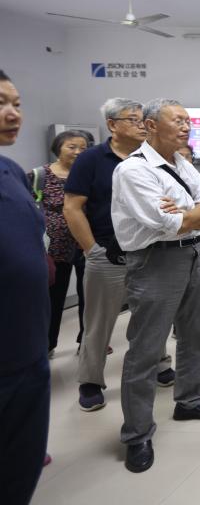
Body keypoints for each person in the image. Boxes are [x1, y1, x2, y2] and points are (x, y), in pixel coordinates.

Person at [110, 99, 200, 473]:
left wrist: (193, 214)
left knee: (197, 335)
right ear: (150, 125)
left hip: (195, 254)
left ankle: (190, 400)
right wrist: (194, 214)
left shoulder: (183, 164)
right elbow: (168, 223)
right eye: (178, 120)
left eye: (188, 121)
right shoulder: (133, 170)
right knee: (146, 349)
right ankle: (137, 433)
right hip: (155, 260)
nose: (186, 127)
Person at [64, 98, 173, 412]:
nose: (142, 125)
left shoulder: (151, 157)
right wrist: (92, 249)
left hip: (151, 250)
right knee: (99, 321)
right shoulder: (91, 159)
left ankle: (159, 363)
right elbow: (72, 207)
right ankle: (90, 380)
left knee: (151, 314)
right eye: (134, 120)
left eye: (144, 119)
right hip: (107, 252)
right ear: (112, 124)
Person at [0, 70, 51, 505]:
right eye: (0, 103)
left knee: (18, 476)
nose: (12, 113)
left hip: (28, 355)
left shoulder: (12, 172)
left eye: (16, 103)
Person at [32, 130, 90, 358]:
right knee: (52, 298)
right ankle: (47, 344)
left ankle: (87, 341)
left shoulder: (88, 174)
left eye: (83, 148)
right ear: (58, 148)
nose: (78, 152)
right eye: (72, 147)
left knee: (89, 296)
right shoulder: (39, 175)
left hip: (86, 243)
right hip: (53, 247)